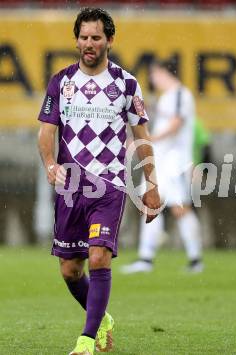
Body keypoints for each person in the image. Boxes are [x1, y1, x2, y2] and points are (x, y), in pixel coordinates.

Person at [37, 8, 160, 355]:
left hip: (110, 185)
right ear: (76, 39)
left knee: (99, 257)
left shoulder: (126, 83)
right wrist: (49, 164)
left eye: (96, 38)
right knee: (70, 271)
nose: (89, 44)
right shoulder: (60, 82)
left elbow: (142, 136)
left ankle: (86, 340)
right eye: (84, 37)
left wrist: (151, 184)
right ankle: (102, 318)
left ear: (109, 40)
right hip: (71, 186)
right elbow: (47, 133)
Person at [121, 60, 203, 274]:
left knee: (180, 208)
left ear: (163, 72)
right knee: (150, 205)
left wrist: (148, 140)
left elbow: (176, 125)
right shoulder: (166, 97)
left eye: (154, 74)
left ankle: (195, 259)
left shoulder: (180, 94)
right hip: (161, 160)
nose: (153, 79)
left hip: (175, 160)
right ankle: (146, 259)